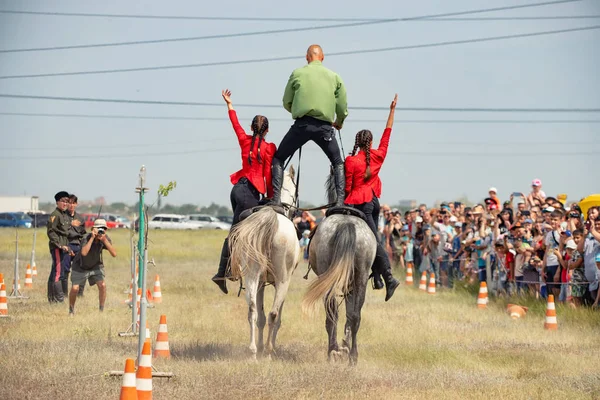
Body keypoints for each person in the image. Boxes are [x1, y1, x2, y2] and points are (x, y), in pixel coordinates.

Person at [211, 89, 277, 294]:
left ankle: (224, 272)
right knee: (241, 233)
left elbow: (235, 125)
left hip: (237, 189)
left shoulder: (244, 140)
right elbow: (267, 175)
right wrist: (271, 197)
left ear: (251, 128)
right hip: (250, 192)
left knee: (235, 232)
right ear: (267, 131)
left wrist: (229, 104)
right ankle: (229, 271)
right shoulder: (269, 148)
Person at [269, 44, 348, 207]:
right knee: (337, 162)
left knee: (278, 158)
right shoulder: (334, 77)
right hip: (325, 128)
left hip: (302, 126)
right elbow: (342, 106)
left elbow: (286, 102)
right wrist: (339, 122)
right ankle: (340, 201)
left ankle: (276, 200)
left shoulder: (297, 73)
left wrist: (297, 110)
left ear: (307, 57)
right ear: (323, 57)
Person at [343, 94, 399, 301]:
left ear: (357, 143)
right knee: (372, 238)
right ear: (371, 142)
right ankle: (376, 277)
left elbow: (348, 187)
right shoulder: (378, 155)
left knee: (374, 241)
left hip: (359, 204)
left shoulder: (350, 161)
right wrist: (392, 111)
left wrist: (345, 200)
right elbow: (388, 134)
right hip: (374, 202)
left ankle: (388, 277)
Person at [69, 219, 117, 315]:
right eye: (99, 228)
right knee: (75, 288)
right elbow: (84, 253)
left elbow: (114, 254)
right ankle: (71, 310)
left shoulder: (104, 238)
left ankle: (101, 310)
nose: (101, 231)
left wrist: (104, 240)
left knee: (102, 285)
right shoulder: (86, 238)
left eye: (103, 229)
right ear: (93, 229)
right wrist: (92, 238)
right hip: (80, 266)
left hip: (95, 265)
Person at [47, 191, 72, 303]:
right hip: (57, 247)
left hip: (64, 246)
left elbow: (66, 233)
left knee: (55, 272)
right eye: (63, 201)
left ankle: (52, 299)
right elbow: (51, 232)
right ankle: (59, 299)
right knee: (58, 273)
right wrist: (60, 245)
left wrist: (68, 247)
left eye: (67, 201)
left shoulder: (65, 215)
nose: (65, 204)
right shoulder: (55, 215)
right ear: (57, 202)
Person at [64, 194, 86, 297]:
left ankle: (79, 293)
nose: (71, 205)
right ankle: (64, 294)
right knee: (65, 270)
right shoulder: (63, 217)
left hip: (78, 245)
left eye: (73, 203)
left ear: (76, 204)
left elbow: (83, 233)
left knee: (80, 270)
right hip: (66, 245)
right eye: (69, 203)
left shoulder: (80, 219)